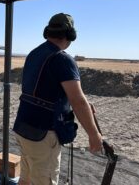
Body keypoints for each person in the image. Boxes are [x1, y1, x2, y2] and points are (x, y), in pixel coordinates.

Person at [13, 13, 103, 185]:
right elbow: (78, 100)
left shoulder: (34, 54)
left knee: (26, 178)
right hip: (43, 133)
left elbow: (44, 90)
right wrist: (94, 134)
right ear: (70, 35)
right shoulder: (62, 59)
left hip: (24, 127)